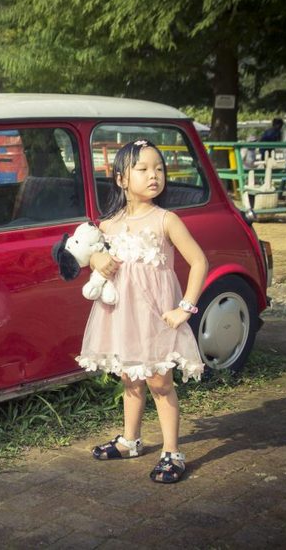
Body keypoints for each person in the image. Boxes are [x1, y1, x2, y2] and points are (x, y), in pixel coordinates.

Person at [75, 139, 208, 484]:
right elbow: (78, 251)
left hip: (156, 317)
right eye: (143, 169)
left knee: (160, 382)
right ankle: (130, 440)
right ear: (120, 178)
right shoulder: (109, 225)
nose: (154, 176)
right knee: (129, 377)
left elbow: (199, 261)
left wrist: (185, 308)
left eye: (159, 169)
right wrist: (95, 258)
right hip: (121, 316)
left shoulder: (166, 219)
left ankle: (171, 451)